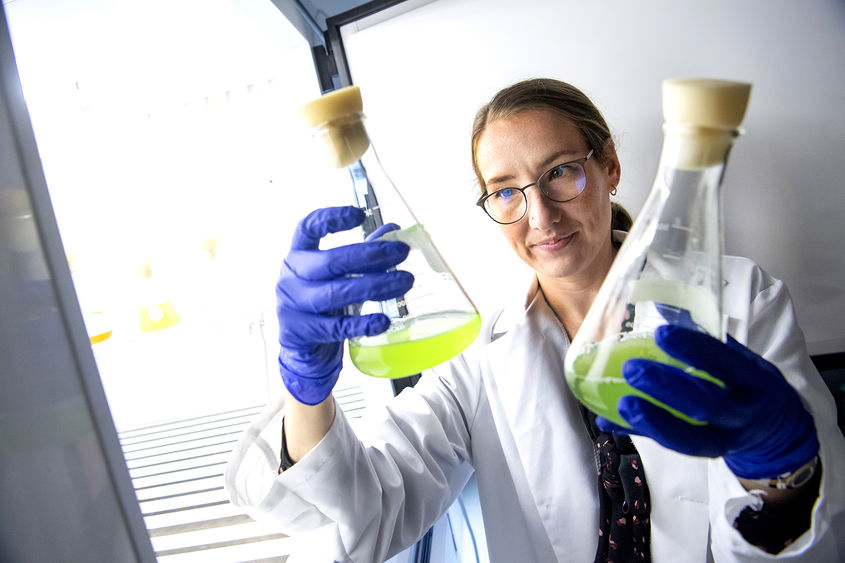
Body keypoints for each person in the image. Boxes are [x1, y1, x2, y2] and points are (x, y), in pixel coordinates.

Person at [225, 78, 845, 562]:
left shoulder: (740, 301)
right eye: (505, 190)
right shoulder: (479, 361)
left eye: (560, 173)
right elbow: (364, 517)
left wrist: (782, 473)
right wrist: (306, 387)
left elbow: (816, 534)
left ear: (608, 167)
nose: (540, 215)